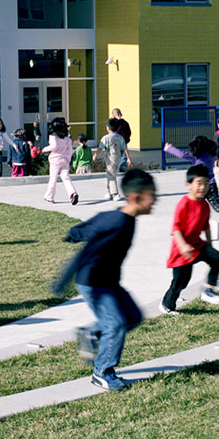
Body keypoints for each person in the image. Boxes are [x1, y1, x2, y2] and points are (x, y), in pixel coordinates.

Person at [55, 168, 156, 391]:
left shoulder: (122, 218)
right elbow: (86, 251)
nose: (155, 201)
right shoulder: (117, 222)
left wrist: (74, 233)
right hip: (94, 283)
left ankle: (91, 332)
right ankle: (102, 372)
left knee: (133, 316)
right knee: (117, 323)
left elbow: (93, 224)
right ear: (136, 197)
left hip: (109, 282)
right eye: (152, 196)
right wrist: (62, 282)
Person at [160, 164, 219, 315]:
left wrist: (210, 245)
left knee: (217, 258)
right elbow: (176, 229)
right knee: (181, 283)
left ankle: (209, 290)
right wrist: (183, 246)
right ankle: (167, 305)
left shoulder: (204, 204)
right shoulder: (183, 204)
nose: (203, 187)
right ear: (189, 185)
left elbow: (206, 226)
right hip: (181, 251)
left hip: (197, 246)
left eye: (206, 183)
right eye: (199, 183)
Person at [164, 135, 219, 222]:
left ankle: (193, 221)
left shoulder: (195, 157)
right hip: (212, 185)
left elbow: (182, 154)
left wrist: (169, 148)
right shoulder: (211, 155)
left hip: (199, 187)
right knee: (216, 206)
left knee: (194, 204)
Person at [42, 117, 78, 205]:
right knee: (66, 178)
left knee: (53, 179)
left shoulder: (53, 136)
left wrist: (44, 150)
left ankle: (49, 197)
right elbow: (69, 149)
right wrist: (68, 159)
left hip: (55, 160)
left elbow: (53, 146)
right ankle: (73, 193)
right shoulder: (67, 138)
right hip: (65, 160)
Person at [94, 118, 131, 201]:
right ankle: (109, 192)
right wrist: (128, 158)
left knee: (111, 176)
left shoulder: (105, 138)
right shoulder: (120, 137)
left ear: (108, 128)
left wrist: (95, 155)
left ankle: (115, 193)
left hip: (110, 159)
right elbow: (125, 148)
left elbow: (100, 148)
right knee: (110, 175)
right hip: (119, 158)